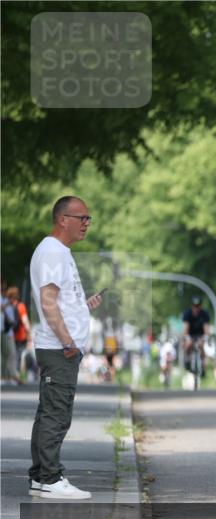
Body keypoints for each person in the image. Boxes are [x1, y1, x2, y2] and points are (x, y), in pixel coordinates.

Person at [28, 195, 103, 500]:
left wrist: (83, 308)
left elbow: (59, 300)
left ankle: (40, 477)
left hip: (61, 346)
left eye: (88, 218)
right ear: (62, 219)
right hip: (59, 349)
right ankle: (49, 478)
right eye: (81, 218)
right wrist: (68, 342)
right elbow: (48, 303)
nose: (86, 223)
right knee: (57, 414)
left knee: (50, 411)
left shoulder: (59, 252)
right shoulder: (53, 252)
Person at [6, 286, 32, 378]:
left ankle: (8, 375)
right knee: (18, 356)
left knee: (9, 356)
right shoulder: (21, 306)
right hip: (21, 336)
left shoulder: (7, 306)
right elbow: (25, 322)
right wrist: (30, 335)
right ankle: (16, 375)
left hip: (9, 335)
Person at [182, 296, 211, 376]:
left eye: (198, 306)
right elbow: (185, 329)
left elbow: (206, 329)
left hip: (200, 335)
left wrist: (204, 338)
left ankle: (202, 365)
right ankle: (187, 360)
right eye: (195, 306)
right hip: (190, 334)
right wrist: (188, 339)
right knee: (188, 344)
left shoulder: (204, 314)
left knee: (201, 346)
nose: (196, 308)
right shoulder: (187, 314)